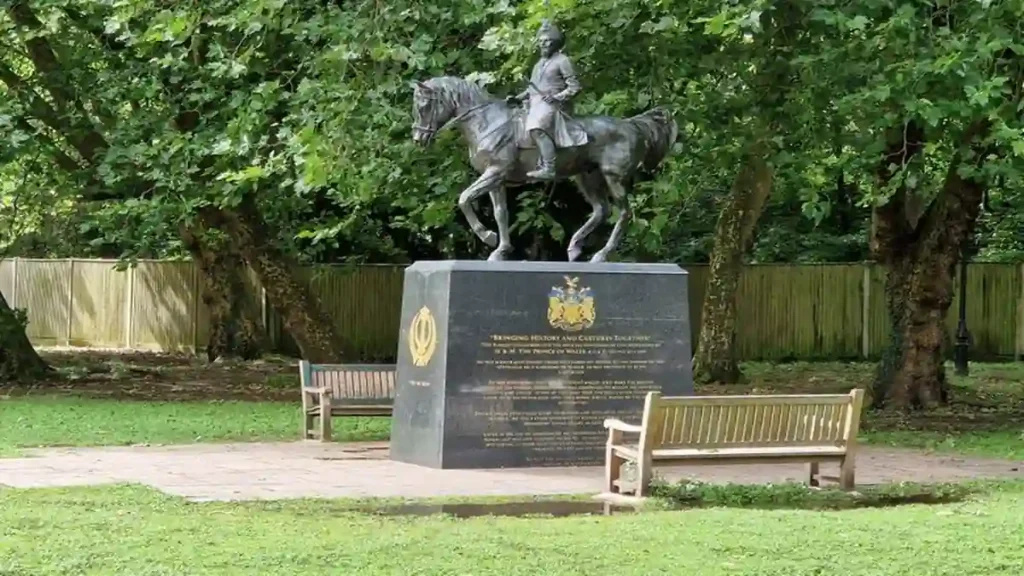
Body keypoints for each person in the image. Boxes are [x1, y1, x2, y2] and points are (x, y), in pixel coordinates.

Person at [506, 20, 584, 181]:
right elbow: (532, 89)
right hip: (535, 105)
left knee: (536, 128)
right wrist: (517, 98)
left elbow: (575, 87)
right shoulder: (538, 64)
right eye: (541, 41)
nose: (543, 44)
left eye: (547, 41)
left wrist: (557, 96)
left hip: (555, 106)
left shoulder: (563, 60)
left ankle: (549, 167)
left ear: (555, 43)